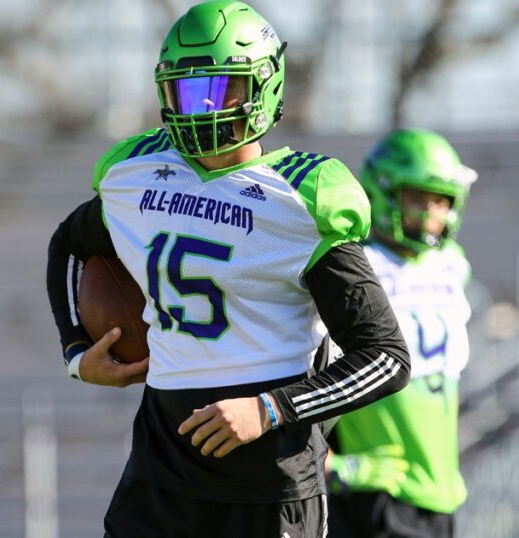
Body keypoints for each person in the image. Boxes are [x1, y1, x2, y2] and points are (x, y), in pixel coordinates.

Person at [45, 2, 410, 536]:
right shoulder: (135, 174)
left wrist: (270, 409)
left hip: (270, 479)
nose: (205, 109)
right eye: (188, 92)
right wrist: (77, 353)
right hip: (160, 466)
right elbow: (66, 244)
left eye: (223, 89)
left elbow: (385, 358)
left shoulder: (303, 199)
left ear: (264, 86)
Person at [324, 129, 477, 538]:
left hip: (440, 489)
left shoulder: (451, 263)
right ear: (382, 192)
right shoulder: (358, 266)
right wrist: (329, 461)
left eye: (441, 200)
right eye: (417, 197)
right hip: (378, 490)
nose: (430, 213)